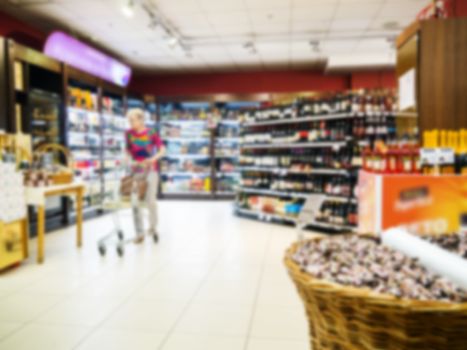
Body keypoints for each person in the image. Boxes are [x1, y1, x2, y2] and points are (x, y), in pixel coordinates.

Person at [125, 108, 165, 243]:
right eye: (129, 120)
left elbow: (162, 150)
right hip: (136, 171)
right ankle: (139, 233)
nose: (130, 123)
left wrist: (153, 159)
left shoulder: (151, 132)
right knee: (134, 201)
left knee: (150, 200)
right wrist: (130, 161)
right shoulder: (128, 134)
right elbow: (127, 151)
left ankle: (153, 228)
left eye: (132, 120)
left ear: (141, 119)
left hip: (151, 170)